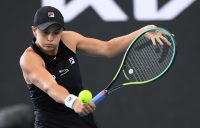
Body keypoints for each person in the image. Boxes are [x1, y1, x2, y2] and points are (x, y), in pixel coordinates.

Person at [19, 6, 170, 128]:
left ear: (62, 31)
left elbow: (107, 48)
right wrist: (74, 102)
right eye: (45, 32)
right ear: (34, 30)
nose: (51, 38)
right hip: (51, 124)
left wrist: (142, 31)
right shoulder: (29, 59)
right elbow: (49, 86)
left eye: (56, 32)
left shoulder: (69, 39)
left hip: (82, 119)